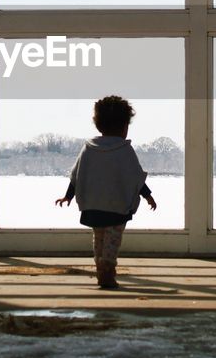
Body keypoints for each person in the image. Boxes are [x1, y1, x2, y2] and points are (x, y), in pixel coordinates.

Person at [55, 95, 156, 289]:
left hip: (93, 206)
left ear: (98, 124)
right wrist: (148, 195)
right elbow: (135, 178)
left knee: (99, 238)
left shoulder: (89, 149)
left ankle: (100, 266)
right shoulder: (124, 150)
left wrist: (68, 196)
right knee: (112, 240)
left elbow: (77, 175)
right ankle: (108, 269)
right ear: (124, 126)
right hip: (116, 207)